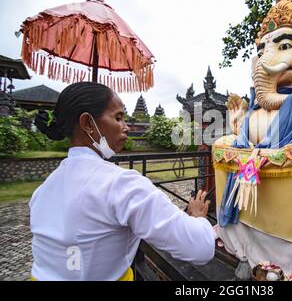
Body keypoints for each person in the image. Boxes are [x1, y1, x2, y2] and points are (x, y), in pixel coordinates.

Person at [30, 82, 215, 281]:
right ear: (87, 123)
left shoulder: (42, 190)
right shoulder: (121, 184)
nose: (126, 127)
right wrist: (197, 218)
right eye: (118, 118)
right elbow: (200, 248)